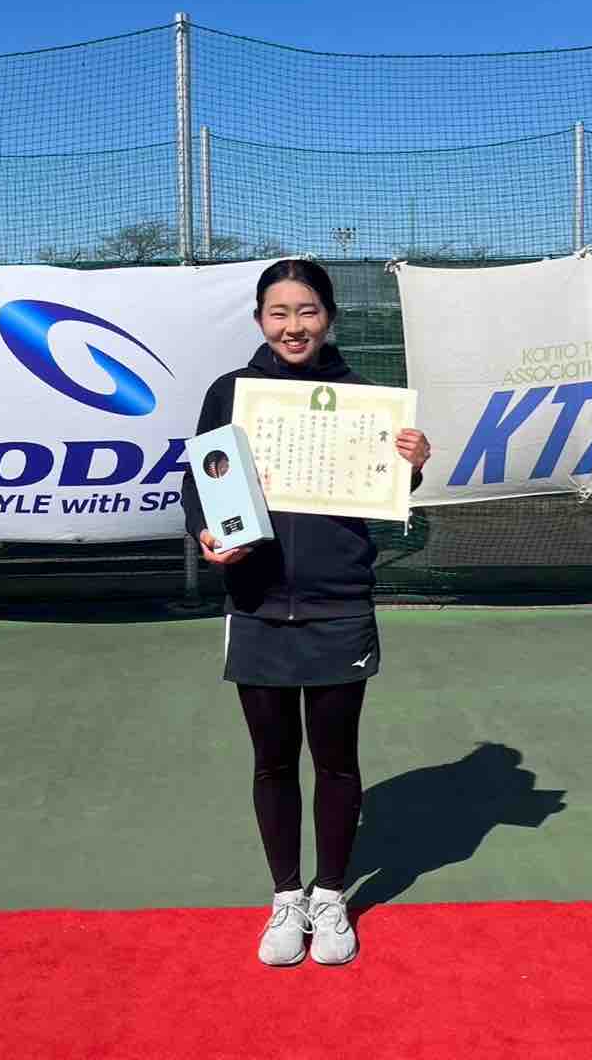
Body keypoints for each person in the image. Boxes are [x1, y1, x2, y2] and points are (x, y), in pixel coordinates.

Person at [181, 259, 431, 966]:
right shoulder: (230, 393)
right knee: (272, 762)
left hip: (338, 603)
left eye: (307, 311)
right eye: (279, 312)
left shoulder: (366, 399)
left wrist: (412, 462)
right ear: (260, 319)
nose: (293, 326)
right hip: (256, 602)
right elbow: (200, 481)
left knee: (336, 762)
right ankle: (286, 897)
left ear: (329, 317)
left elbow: (388, 485)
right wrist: (206, 532)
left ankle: (330, 895)